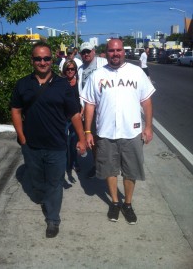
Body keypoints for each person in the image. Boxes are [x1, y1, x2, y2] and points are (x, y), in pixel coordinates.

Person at [11, 41, 86, 238]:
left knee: (54, 183)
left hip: (57, 146)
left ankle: (53, 218)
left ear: (52, 60)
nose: (42, 62)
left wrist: (82, 137)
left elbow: (74, 114)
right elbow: (16, 110)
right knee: (37, 181)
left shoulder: (63, 85)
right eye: (38, 58)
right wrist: (21, 136)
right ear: (32, 60)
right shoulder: (23, 84)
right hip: (32, 145)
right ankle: (44, 197)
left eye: (46, 58)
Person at [81, 38, 155, 224]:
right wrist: (88, 132)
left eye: (119, 50)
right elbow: (89, 104)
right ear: (105, 53)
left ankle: (127, 204)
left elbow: (146, 101)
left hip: (132, 133)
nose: (115, 54)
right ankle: (115, 202)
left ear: (124, 52)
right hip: (105, 133)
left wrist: (148, 126)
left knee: (131, 172)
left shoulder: (136, 72)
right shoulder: (97, 75)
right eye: (111, 51)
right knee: (109, 170)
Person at [78, 42, 108, 178]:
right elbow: (81, 91)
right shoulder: (80, 69)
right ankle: (97, 165)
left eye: (88, 51)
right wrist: (82, 106)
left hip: (104, 109)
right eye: (83, 52)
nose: (86, 54)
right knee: (93, 139)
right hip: (89, 110)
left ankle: (109, 165)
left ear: (93, 51)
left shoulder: (102, 63)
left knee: (107, 138)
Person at [62, 59, 82, 173]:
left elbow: (83, 99)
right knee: (64, 141)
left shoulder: (79, 83)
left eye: (72, 69)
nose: (70, 71)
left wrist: (82, 111)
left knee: (74, 142)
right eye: (68, 69)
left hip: (77, 117)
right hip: (64, 117)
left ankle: (74, 162)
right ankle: (66, 163)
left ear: (75, 70)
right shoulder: (60, 82)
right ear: (64, 70)